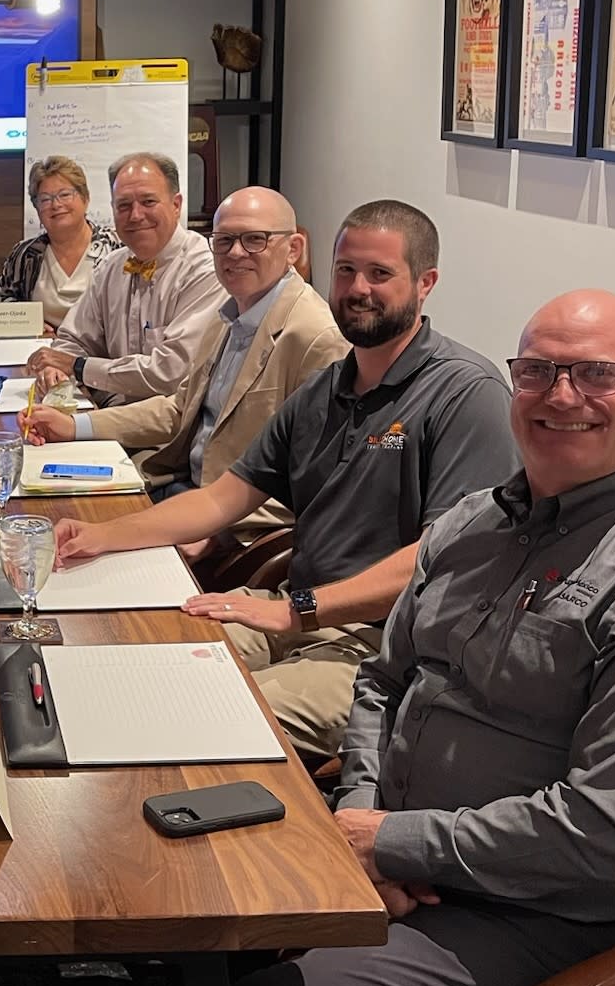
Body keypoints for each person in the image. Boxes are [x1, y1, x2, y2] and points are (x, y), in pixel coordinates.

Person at [234, 289, 615, 986]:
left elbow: (606, 835)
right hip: (416, 860)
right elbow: (382, 684)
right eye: (536, 370)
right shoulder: (471, 524)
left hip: (552, 913)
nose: (560, 395)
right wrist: (363, 828)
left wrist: (395, 842)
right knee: (223, 937)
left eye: (597, 374)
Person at [54, 200, 518, 766]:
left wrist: (298, 609)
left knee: (199, 710)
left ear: (426, 283)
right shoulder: (327, 387)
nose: (357, 288)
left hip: (380, 648)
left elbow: (437, 561)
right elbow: (223, 497)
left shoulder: (466, 393)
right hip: (290, 610)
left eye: (379, 274)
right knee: (132, 654)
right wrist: (101, 536)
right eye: (345, 270)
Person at [23, 187, 347, 556]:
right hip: (179, 486)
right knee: (47, 521)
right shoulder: (228, 312)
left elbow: (316, 485)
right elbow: (179, 409)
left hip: (232, 525)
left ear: (293, 248)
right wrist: (76, 427)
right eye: (224, 241)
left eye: (255, 239)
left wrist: (217, 531)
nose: (236, 253)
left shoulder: (317, 338)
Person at [24, 151, 223, 407]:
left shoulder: (205, 270)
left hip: (172, 432)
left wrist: (77, 367)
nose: (136, 215)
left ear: (176, 205)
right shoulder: (111, 266)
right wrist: (56, 369)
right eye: (124, 205)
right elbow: (74, 338)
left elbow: (170, 373)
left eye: (148, 202)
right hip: (114, 414)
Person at [0, 155, 124, 330]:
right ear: (37, 208)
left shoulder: (116, 247)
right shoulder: (25, 255)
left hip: (102, 354)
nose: (56, 204)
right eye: (45, 199)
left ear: (85, 199)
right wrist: (29, 324)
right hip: (43, 351)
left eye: (65, 195)